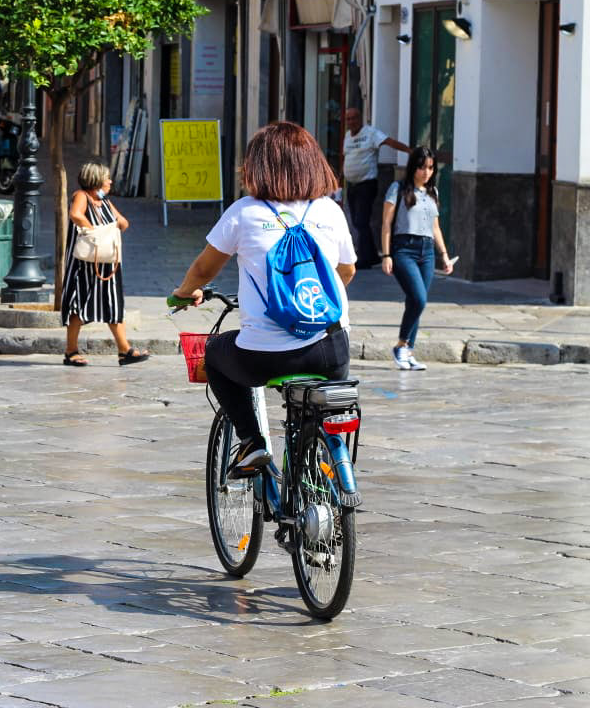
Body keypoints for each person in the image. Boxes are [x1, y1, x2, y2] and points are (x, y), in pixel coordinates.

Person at [171, 122, 356, 474]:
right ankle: (322, 474)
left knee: (214, 352)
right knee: (322, 411)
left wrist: (184, 293)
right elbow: (345, 272)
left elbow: (203, 270)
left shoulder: (244, 212)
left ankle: (252, 442)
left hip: (264, 356)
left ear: (259, 166)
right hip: (332, 348)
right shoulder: (330, 210)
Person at [61, 162, 148, 368]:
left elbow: (123, 222)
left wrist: (113, 226)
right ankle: (71, 351)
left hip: (107, 263)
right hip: (83, 264)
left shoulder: (103, 200)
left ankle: (124, 350)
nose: (110, 181)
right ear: (96, 180)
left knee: (113, 303)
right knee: (78, 304)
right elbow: (75, 215)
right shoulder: (82, 196)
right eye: (106, 178)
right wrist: (96, 232)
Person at [380, 146, 454, 371]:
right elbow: (386, 224)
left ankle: (408, 352)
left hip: (427, 251)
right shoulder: (398, 188)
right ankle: (401, 346)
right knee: (419, 299)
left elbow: (436, 228)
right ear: (413, 167)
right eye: (422, 167)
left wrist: (444, 255)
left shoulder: (433, 192)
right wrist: (386, 254)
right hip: (404, 250)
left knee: (416, 302)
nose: (426, 172)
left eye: (430, 168)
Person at [339, 106, 411, 268]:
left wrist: (409, 151)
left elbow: (389, 141)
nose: (351, 121)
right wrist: (339, 177)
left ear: (360, 119)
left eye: (354, 118)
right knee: (359, 223)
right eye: (348, 119)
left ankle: (365, 259)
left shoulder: (371, 133)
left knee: (361, 220)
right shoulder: (347, 137)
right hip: (352, 185)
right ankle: (371, 255)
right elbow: (347, 159)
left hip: (367, 185)